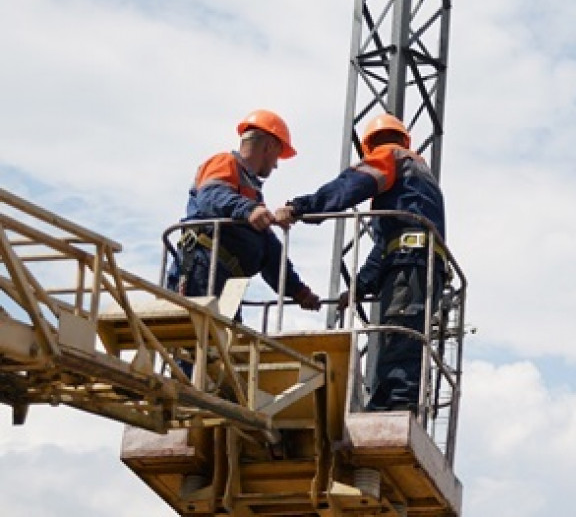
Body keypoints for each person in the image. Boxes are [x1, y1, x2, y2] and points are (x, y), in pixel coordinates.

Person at [275, 113, 446, 412]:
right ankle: (387, 402)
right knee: (401, 331)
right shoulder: (416, 181)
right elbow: (386, 247)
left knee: (400, 330)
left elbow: (351, 185)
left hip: (410, 262)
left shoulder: (391, 156)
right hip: (415, 261)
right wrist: (360, 286)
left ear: (369, 146)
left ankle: (398, 404)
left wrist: (301, 207)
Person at [166, 109, 320, 321]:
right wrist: (249, 210)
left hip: (226, 280)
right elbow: (211, 196)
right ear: (269, 146)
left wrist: (298, 291)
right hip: (202, 268)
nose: (276, 165)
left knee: (224, 339)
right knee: (197, 337)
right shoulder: (224, 162)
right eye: (277, 156)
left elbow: (269, 249)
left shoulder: (252, 194)